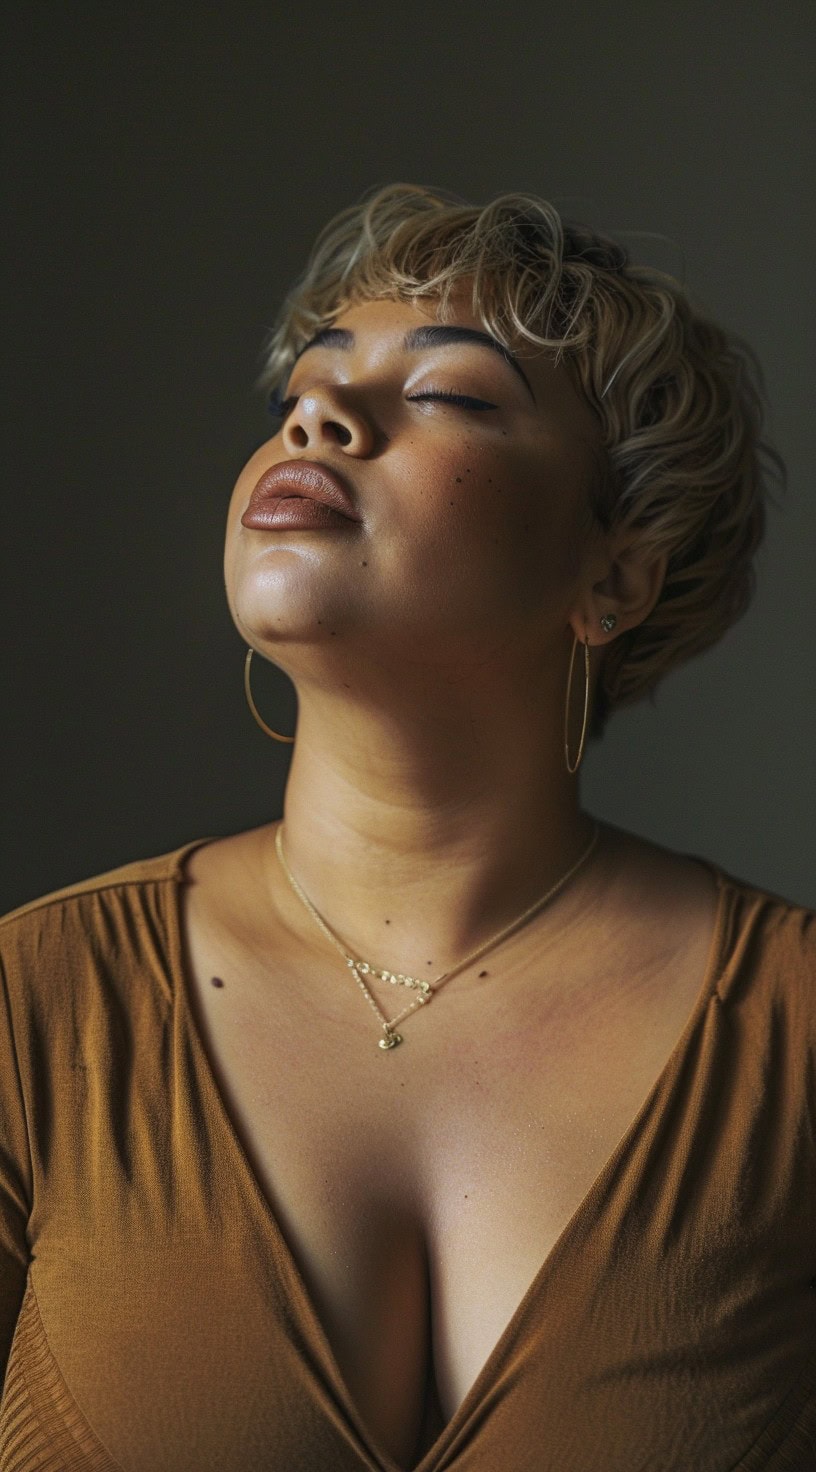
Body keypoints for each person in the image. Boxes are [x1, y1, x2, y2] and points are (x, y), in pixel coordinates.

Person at [0, 184, 813, 1472]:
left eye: (450, 395)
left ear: (616, 573)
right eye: (303, 393)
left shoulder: (791, 1030)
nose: (321, 414)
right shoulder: (32, 1007)